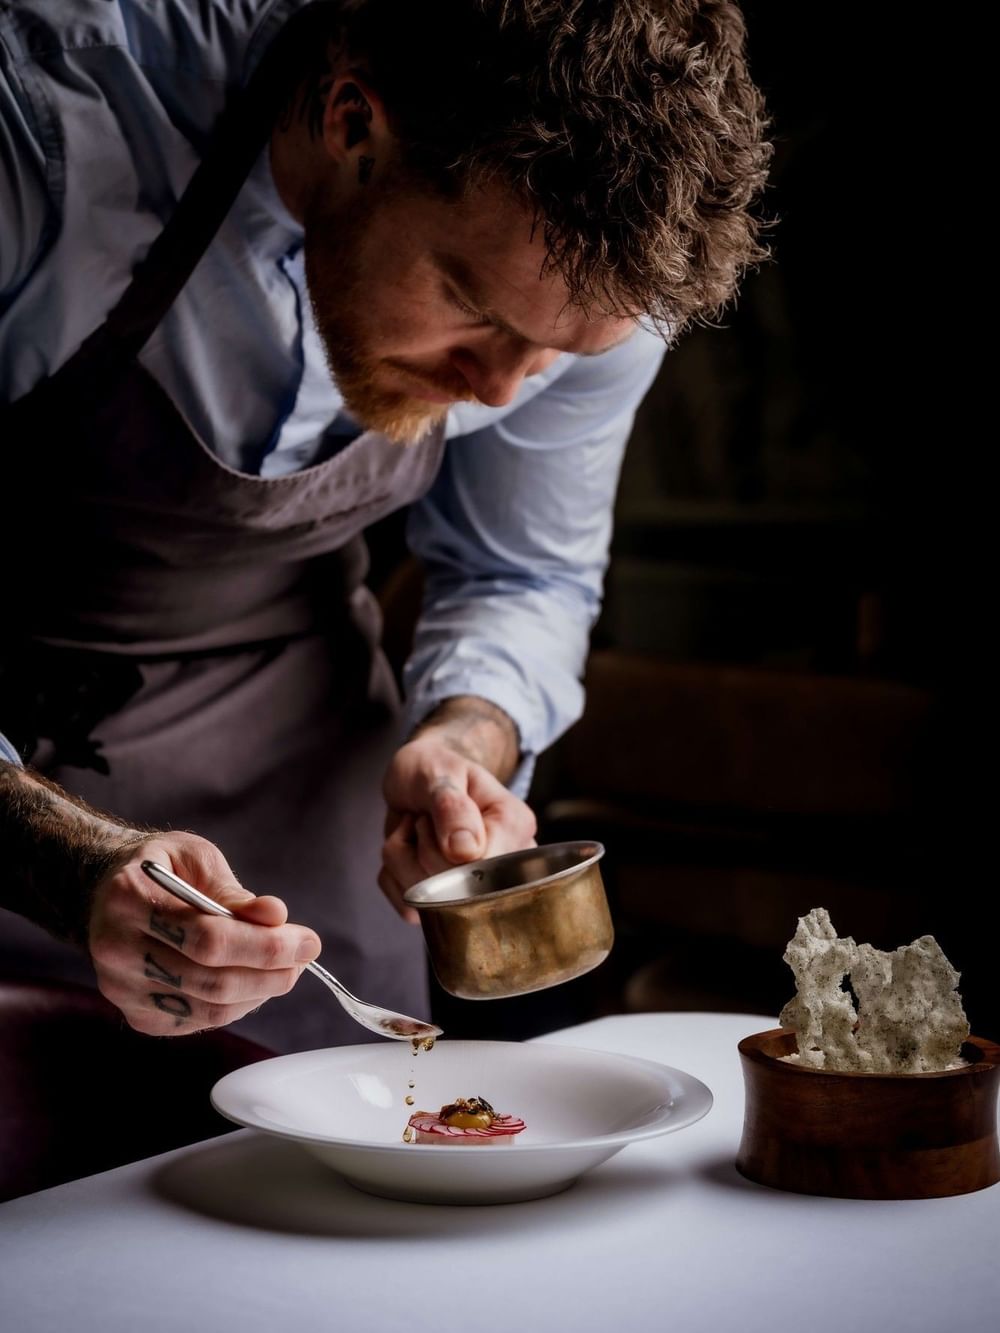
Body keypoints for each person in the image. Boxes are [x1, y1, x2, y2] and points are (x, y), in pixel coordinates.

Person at [0, 0, 769, 1050]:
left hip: (299, 837)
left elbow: (520, 574)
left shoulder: (600, 276)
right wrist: (59, 857)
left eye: (553, 356)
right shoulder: (41, 131)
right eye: (472, 304)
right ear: (352, 123)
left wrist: (465, 737)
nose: (497, 392)